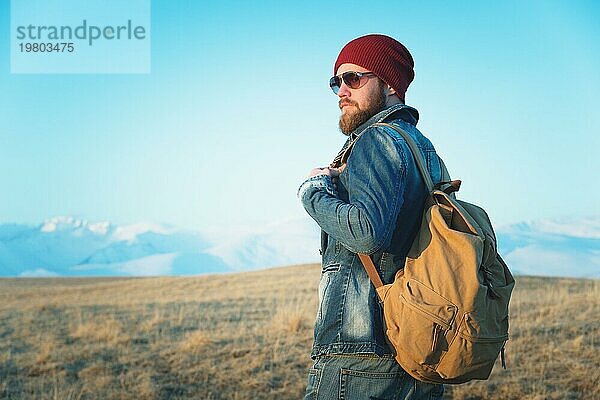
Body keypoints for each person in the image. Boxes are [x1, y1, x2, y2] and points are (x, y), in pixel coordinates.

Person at [297, 34, 446, 399]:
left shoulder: (375, 140)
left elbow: (365, 232)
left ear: (390, 83)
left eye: (354, 78)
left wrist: (312, 191)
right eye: (336, 81)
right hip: (418, 346)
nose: (340, 91)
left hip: (361, 356)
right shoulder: (425, 151)